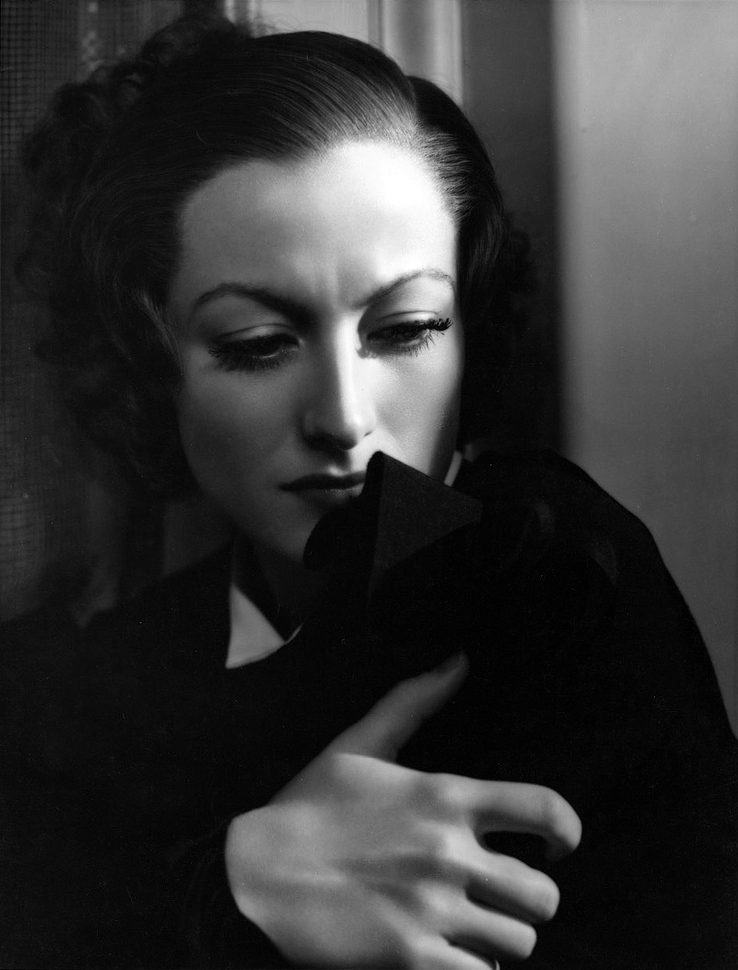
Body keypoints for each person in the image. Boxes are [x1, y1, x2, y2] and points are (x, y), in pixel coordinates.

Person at [2, 12, 736, 970]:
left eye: (407, 329)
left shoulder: (559, 573)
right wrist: (232, 891)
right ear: (149, 366)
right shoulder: (95, 677)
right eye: (259, 344)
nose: (345, 418)